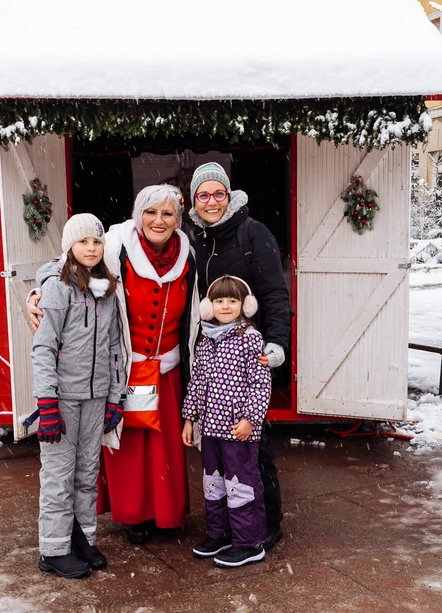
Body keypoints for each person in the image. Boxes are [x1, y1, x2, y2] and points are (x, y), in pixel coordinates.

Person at [29, 185, 199, 545]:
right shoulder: (116, 242)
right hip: (125, 361)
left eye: (168, 214)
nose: (159, 220)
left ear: (177, 220)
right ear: (138, 215)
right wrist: (38, 291)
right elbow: (61, 263)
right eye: (151, 212)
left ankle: (166, 515)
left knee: (164, 445)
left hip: (168, 366)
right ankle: (134, 515)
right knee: (130, 447)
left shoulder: (188, 253)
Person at [186, 161, 290, 551]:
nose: (211, 201)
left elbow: (276, 294)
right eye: (203, 195)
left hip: (249, 356)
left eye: (218, 193)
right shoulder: (195, 238)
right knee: (220, 453)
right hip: (211, 354)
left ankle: (266, 523)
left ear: (228, 195)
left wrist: (276, 342)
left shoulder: (252, 233)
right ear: (194, 200)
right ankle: (230, 526)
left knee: (252, 447)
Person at [31, 213, 125, 579]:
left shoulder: (107, 291)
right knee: (58, 476)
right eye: (83, 241)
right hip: (63, 400)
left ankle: (82, 539)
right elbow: (44, 348)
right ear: (69, 247)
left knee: (88, 473)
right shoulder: (58, 289)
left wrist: (115, 398)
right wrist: (47, 403)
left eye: (96, 241)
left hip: (97, 396)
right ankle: (53, 550)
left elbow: (115, 349)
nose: (90, 247)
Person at [182, 275, 272, 568]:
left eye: (232, 301)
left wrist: (250, 419)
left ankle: (248, 541)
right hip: (210, 429)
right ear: (209, 306)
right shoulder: (206, 338)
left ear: (245, 305)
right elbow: (197, 382)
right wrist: (190, 418)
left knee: (240, 485)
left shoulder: (250, 338)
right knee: (214, 484)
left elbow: (260, 384)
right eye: (219, 301)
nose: (225, 306)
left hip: (238, 431)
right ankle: (219, 534)